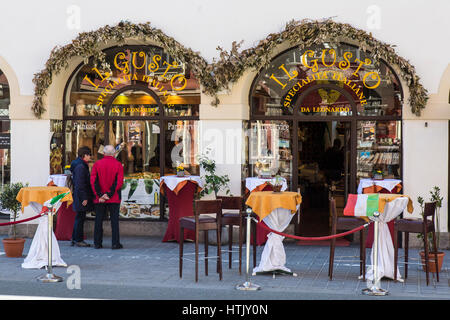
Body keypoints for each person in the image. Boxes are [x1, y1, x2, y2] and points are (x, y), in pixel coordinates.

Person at [90, 144, 124, 249]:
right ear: (114, 154)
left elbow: (93, 181)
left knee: (98, 220)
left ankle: (97, 243)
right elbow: (119, 182)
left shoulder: (97, 164)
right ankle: (115, 243)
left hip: (99, 198)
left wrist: (100, 195)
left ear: (103, 153)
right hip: (113, 198)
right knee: (114, 221)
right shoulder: (118, 165)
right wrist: (109, 194)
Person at [70, 146, 94, 247]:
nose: (90, 157)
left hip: (78, 194)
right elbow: (80, 184)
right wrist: (84, 197)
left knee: (79, 217)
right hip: (80, 195)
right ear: (84, 155)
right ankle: (78, 239)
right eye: (89, 155)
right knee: (80, 218)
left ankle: (75, 238)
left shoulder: (79, 164)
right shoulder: (81, 166)